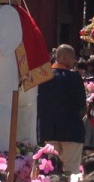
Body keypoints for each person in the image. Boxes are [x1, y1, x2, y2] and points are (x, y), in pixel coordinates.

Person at [37, 44, 87, 174]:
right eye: (73, 58)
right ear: (65, 58)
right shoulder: (74, 77)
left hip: (49, 130)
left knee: (51, 170)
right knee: (71, 170)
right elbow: (82, 106)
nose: (74, 61)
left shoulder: (43, 76)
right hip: (72, 131)